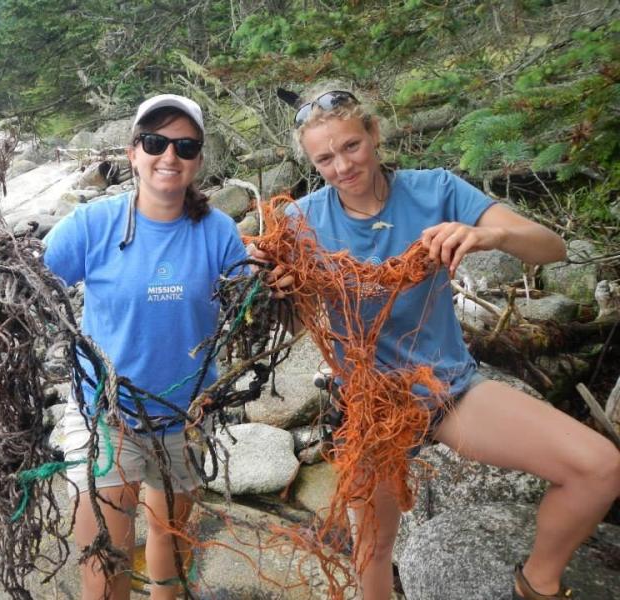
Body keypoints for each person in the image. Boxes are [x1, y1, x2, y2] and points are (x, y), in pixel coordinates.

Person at [253, 89, 620, 600]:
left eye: (352, 146)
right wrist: (277, 293)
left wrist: (487, 236)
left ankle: (537, 583)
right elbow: (289, 324)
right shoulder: (298, 220)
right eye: (325, 159)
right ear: (312, 163)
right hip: (366, 404)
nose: (342, 166)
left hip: (448, 389)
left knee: (600, 467)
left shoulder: (436, 190)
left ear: (375, 135)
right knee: (373, 550)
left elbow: (550, 247)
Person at [42, 94, 248, 600]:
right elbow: (32, 278)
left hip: (185, 417)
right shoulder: (93, 226)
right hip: (104, 415)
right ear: (133, 152)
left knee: (170, 543)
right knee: (106, 563)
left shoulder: (218, 230)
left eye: (184, 146)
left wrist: (278, 269)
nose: (169, 156)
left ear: (199, 159)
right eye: (155, 143)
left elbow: (250, 296)